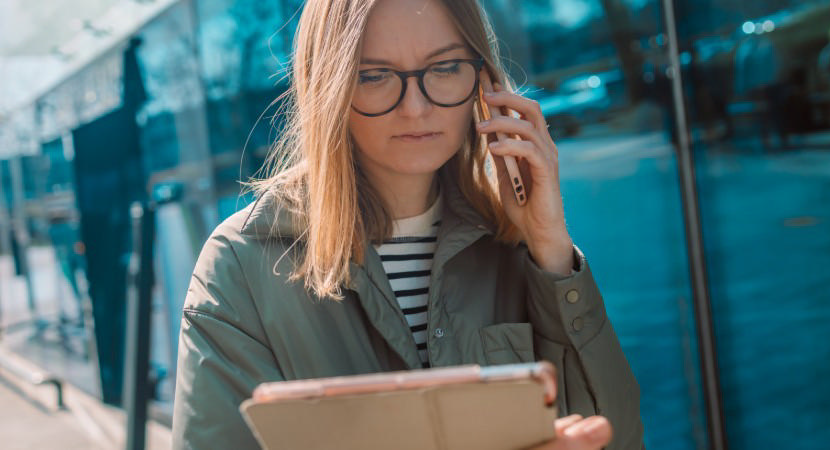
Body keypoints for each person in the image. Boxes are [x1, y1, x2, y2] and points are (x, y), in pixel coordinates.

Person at [172, 1, 643, 449]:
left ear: (483, 81)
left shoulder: (518, 248)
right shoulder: (242, 266)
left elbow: (617, 438)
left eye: (443, 69)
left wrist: (550, 246)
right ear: (330, 87)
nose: (415, 107)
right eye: (375, 76)